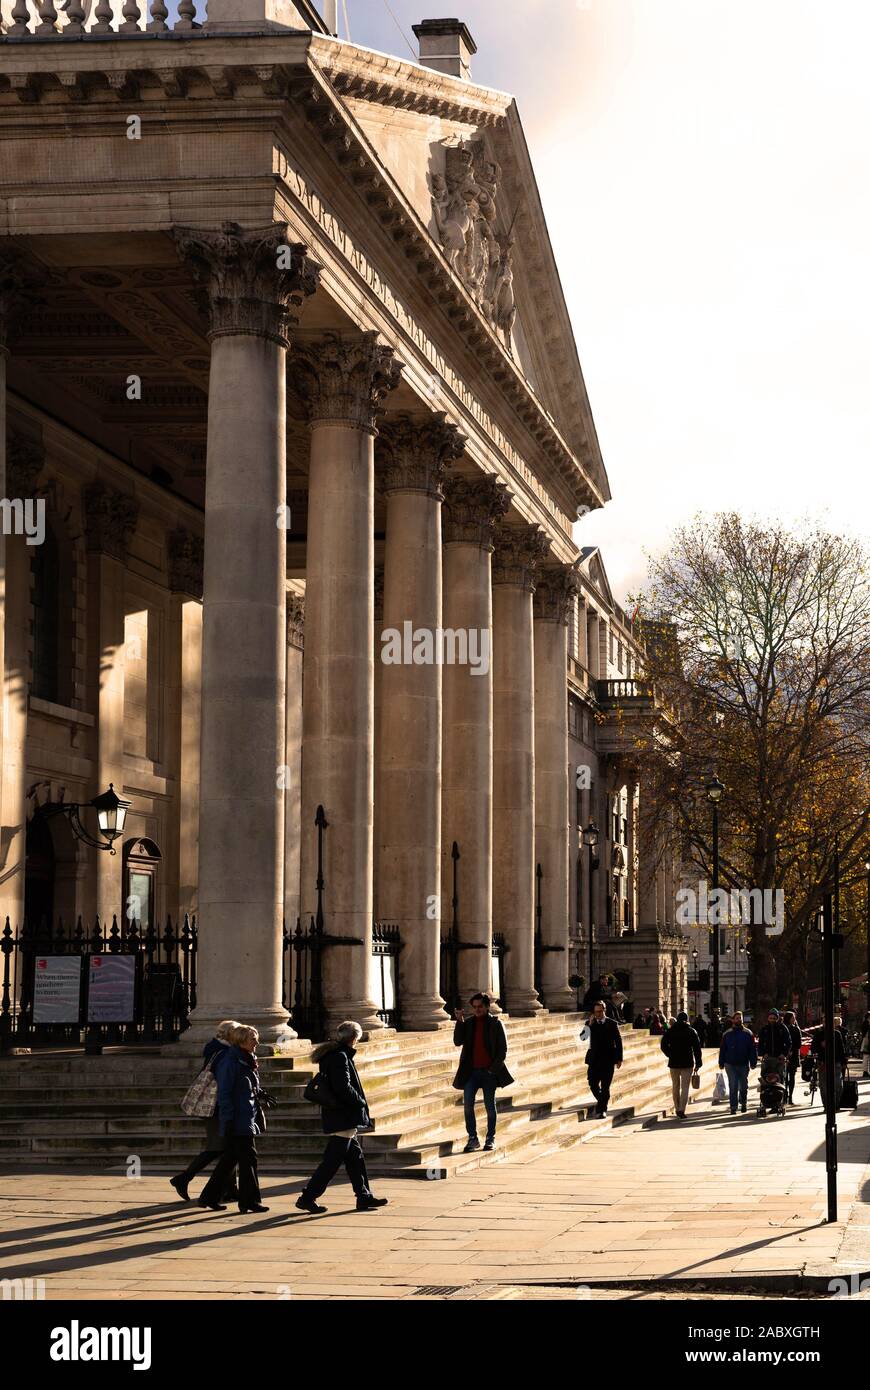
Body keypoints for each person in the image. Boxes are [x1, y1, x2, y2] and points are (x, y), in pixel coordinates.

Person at [296, 1021, 386, 1213]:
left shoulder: (335, 1054)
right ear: (354, 1039)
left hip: (340, 1114)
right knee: (332, 1161)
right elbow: (343, 1087)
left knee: (355, 1157)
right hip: (343, 1114)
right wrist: (360, 1102)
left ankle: (364, 1196)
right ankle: (308, 1197)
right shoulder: (340, 1057)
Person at [199, 1024, 268, 1214]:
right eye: (253, 1039)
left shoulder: (247, 1059)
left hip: (246, 1116)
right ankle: (250, 1201)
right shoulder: (230, 1061)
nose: (257, 1042)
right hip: (237, 1119)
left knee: (229, 1160)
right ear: (241, 1041)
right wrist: (228, 1121)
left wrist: (260, 1093)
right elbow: (225, 1094)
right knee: (248, 1160)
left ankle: (209, 1196)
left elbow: (246, 1087)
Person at [170, 1018, 240, 1202]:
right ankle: (183, 1178)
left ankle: (231, 1190)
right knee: (217, 1148)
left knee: (227, 1149)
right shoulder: (224, 1053)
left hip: (214, 1106)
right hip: (215, 1107)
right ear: (231, 1035)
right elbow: (224, 1083)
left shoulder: (216, 1049)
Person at [452, 993, 514, 1153]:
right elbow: (458, 1041)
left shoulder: (496, 1024)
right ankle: (473, 1138)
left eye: (480, 1006)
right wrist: (459, 1022)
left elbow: (503, 1050)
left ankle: (490, 1138)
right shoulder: (469, 1023)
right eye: (475, 1007)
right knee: (467, 1106)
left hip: (489, 1073)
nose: (477, 1009)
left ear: (487, 1006)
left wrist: (492, 1070)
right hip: (471, 1073)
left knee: (490, 1107)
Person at [660, 1011, 702, 1118]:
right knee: (685, 1087)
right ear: (687, 1019)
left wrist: (669, 1054)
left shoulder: (671, 1031)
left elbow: (663, 1045)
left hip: (674, 1062)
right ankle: (681, 1109)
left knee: (675, 1086)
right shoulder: (691, 1031)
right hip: (687, 1062)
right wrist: (698, 1062)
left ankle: (677, 1106)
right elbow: (697, 1048)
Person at [586, 999, 623, 1118]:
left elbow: (618, 1042)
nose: (598, 1014)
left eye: (600, 1011)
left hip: (608, 1060)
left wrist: (619, 1058)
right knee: (592, 1084)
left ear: (604, 1011)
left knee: (605, 1086)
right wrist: (589, 1025)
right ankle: (602, 1101)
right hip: (594, 1060)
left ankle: (602, 1110)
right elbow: (582, 1038)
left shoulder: (612, 1023)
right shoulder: (590, 1023)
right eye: (596, 1012)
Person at [718, 1011, 758, 1115]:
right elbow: (722, 1049)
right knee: (733, 1085)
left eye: (740, 1018)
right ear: (733, 1020)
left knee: (743, 1086)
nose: (739, 1020)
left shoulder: (748, 1033)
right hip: (730, 1064)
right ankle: (733, 1107)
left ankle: (743, 1103)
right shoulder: (727, 1034)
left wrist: (753, 1062)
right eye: (737, 1018)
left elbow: (752, 1049)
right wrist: (721, 1062)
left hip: (743, 1063)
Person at [811, 1017, 846, 1110]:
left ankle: (836, 1104)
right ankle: (827, 1106)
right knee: (824, 1085)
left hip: (836, 1062)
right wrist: (819, 1056)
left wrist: (843, 1062)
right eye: (824, 1022)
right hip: (823, 1063)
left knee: (838, 1085)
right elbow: (814, 1049)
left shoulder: (837, 1034)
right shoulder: (818, 1035)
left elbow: (841, 1048)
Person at [782, 1010, 802, 1104]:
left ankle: (791, 1096)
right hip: (784, 1055)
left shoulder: (796, 1029)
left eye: (794, 1018)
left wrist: (792, 1051)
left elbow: (799, 1043)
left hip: (793, 1055)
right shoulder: (782, 1028)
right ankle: (784, 1095)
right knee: (784, 1077)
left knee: (792, 1076)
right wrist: (785, 1051)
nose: (794, 1019)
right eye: (792, 1018)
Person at [861, 1011, 870, 1078]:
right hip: (868, 1041)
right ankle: (865, 1071)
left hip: (866, 1040)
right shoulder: (868, 1023)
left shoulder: (865, 1023)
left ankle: (865, 1071)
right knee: (866, 1056)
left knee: (866, 1057)